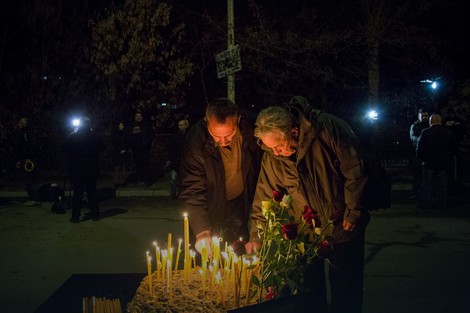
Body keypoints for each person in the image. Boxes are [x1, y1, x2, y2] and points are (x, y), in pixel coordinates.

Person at [246, 101, 369, 313]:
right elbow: (264, 194)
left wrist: (354, 210)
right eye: (270, 148)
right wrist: (256, 235)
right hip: (305, 232)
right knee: (309, 293)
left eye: (279, 146)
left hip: (342, 224)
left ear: (294, 131)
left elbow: (355, 169)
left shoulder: (326, 128)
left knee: (345, 290)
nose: (275, 152)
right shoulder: (273, 155)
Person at [178, 98, 262, 255]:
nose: (223, 141)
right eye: (216, 135)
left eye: (229, 134)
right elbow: (192, 188)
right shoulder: (196, 141)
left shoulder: (253, 130)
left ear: (238, 120)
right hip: (211, 206)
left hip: (241, 204)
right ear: (206, 122)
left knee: (240, 256)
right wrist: (202, 231)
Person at [63, 117, 105, 223]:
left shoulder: (73, 137)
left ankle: (75, 217)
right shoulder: (95, 137)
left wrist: (72, 133)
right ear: (90, 125)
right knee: (92, 192)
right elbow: (102, 148)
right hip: (91, 169)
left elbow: (64, 148)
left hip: (77, 169)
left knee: (77, 193)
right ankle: (95, 215)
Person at [416, 114, 457, 210]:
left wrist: (422, 158)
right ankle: (442, 205)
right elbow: (454, 148)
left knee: (427, 185)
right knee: (442, 186)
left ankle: (426, 205)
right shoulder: (448, 132)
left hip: (428, 163)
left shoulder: (425, 132)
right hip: (443, 163)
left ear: (430, 122)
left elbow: (419, 149)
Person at [15, 117, 42, 206]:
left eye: (21, 122)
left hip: (29, 159)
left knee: (30, 178)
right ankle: (31, 197)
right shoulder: (23, 133)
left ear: (25, 124)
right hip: (25, 158)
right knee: (27, 178)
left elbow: (32, 146)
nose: (19, 124)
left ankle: (34, 198)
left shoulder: (28, 133)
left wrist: (29, 157)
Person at [409, 108, 429, 199]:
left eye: (426, 116)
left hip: (427, 154)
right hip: (417, 153)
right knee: (417, 174)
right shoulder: (414, 126)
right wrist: (423, 140)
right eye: (423, 116)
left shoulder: (429, 125)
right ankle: (416, 193)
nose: (424, 117)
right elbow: (413, 138)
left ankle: (427, 193)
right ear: (419, 116)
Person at [129, 111, 153, 186]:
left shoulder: (146, 124)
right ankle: (139, 179)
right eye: (137, 116)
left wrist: (147, 143)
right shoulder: (132, 125)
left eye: (140, 116)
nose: (138, 117)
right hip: (136, 149)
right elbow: (129, 135)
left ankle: (147, 180)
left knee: (145, 164)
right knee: (138, 164)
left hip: (144, 148)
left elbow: (151, 134)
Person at [167, 119, 189, 199]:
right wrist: (170, 159)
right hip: (176, 160)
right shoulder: (175, 136)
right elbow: (171, 148)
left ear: (186, 126)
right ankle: (174, 193)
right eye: (179, 125)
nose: (179, 127)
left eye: (181, 125)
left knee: (183, 179)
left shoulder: (188, 136)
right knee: (173, 179)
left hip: (184, 161)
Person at [112, 121, 130, 188]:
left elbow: (127, 142)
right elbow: (114, 143)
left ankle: (122, 182)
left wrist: (125, 149)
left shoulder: (125, 134)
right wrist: (119, 150)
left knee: (123, 167)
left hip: (124, 152)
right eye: (120, 125)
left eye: (122, 125)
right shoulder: (115, 134)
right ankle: (116, 182)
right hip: (117, 153)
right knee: (117, 167)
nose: (121, 126)